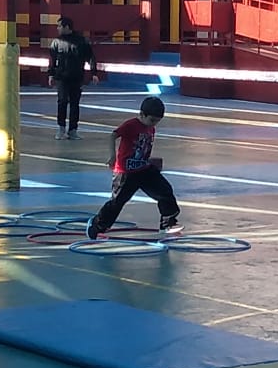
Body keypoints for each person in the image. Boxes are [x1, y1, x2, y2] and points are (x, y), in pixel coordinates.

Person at [86, 96, 182, 238]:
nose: (154, 124)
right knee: (117, 202)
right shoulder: (131, 125)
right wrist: (112, 156)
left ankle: (168, 223)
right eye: (152, 120)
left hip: (143, 169)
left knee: (165, 191)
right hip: (126, 172)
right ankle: (97, 226)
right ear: (142, 114)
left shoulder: (151, 127)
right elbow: (113, 135)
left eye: (157, 121)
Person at [48, 15, 99, 140]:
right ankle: (61, 128)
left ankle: (73, 130)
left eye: (59, 26)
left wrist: (94, 73)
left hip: (76, 77)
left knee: (75, 104)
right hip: (61, 77)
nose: (57, 28)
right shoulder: (56, 42)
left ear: (67, 27)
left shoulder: (82, 41)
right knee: (62, 101)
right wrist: (51, 74)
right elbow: (52, 60)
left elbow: (90, 57)